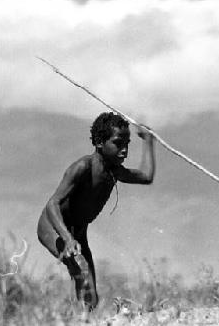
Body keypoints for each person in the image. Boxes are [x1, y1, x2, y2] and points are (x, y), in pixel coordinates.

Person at [37, 112, 155, 310]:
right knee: (80, 271)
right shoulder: (83, 167)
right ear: (100, 143)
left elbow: (146, 176)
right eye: (118, 143)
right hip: (54, 227)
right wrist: (67, 238)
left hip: (78, 232)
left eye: (127, 144)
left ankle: (81, 320)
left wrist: (148, 141)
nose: (125, 150)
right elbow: (53, 204)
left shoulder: (114, 171)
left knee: (91, 294)